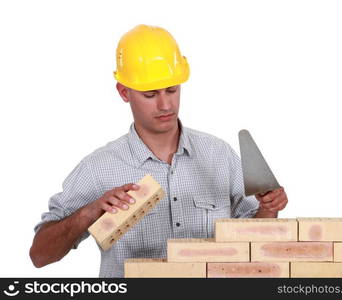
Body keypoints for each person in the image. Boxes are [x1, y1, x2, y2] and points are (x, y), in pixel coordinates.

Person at [29, 24, 288, 277]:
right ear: (124, 92)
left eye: (172, 90)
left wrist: (269, 209)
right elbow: (40, 255)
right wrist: (90, 211)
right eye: (150, 94)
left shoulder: (219, 155)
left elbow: (254, 244)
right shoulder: (98, 168)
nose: (165, 104)